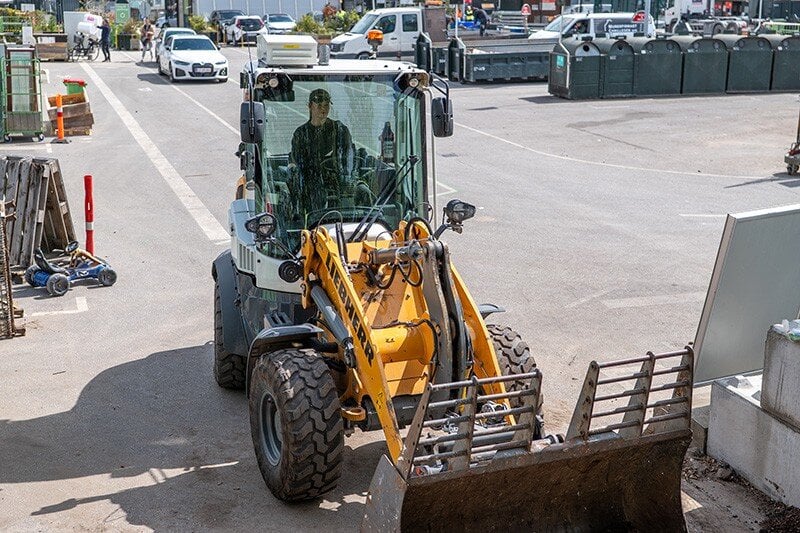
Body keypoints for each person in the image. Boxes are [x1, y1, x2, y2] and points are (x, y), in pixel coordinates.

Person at [288, 89, 354, 216]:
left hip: (338, 180)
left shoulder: (340, 130)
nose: (323, 109)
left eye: (326, 105)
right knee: (316, 196)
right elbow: (298, 161)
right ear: (310, 106)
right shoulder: (301, 134)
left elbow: (348, 158)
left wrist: (347, 177)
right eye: (319, 106)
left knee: (363, 191)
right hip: (311, 183)